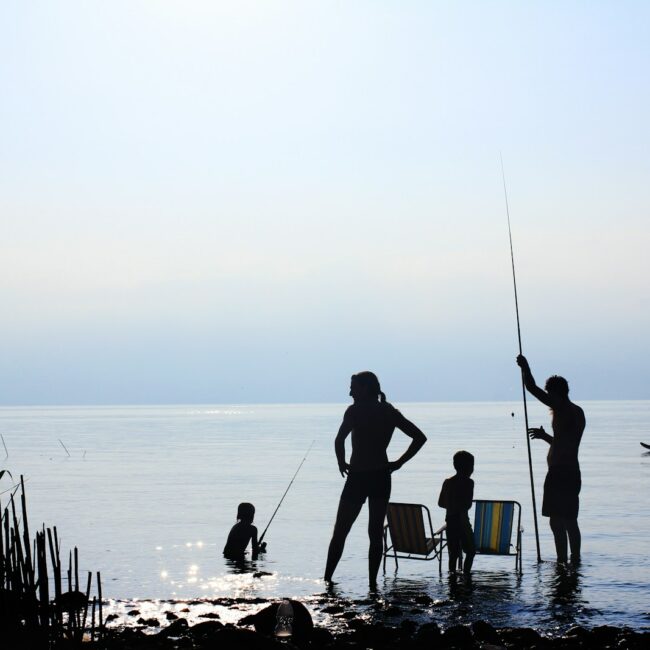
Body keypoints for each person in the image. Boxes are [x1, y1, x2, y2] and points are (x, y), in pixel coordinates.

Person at [324, 371, 427, 590]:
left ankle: (328, 580)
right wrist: (399, 462)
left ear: (365, 388)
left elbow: (339, 439)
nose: (350, 392)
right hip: (380, 476)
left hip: (359, 477)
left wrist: (341, 462)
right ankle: (372, 584)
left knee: (341, 531)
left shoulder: (354, 411)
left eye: (353, 387)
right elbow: (419, 438)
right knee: (374, 533)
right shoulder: (388, 412)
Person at [517, 354, 585, 563]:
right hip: (571, 471)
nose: (548, 398)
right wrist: (546, 436)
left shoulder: (563, 408)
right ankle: (573, 560)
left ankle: (562, 561)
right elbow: (565, 442)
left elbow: (532, 388)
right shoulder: (577, 411)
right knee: (569, 520)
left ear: (557, 392)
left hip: (559, 473)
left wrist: (525, 367)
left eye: (549, 394)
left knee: (557, 521)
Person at [438, 450, 475, 574]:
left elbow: (440, 503)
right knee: (470, 551)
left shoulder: (448, 482)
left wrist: (451, 505)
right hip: (462, 521)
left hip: (450, 520)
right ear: (469, 468)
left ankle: (452, 578)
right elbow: (468, 505)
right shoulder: (469, 483)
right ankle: (466, 575)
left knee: (453, 553)